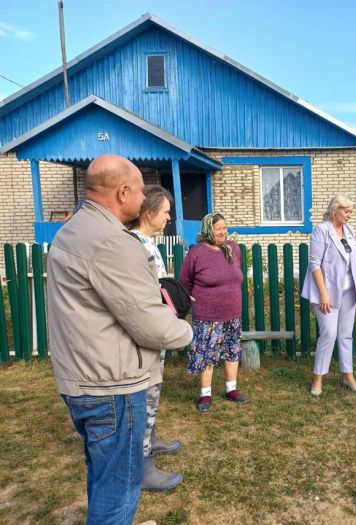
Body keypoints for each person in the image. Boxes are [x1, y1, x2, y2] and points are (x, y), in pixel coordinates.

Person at [47, 154, 193, 525]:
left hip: (81, 379)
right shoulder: (112, 242)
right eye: (141, 190)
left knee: (103, 474)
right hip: (112, 386)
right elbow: (151, 325)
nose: (145, 198)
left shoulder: (72, 230)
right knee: (120, 484)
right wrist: (189, 331)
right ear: (123, 191)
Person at [126, 185, 183, 491]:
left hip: (156, 332)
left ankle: (152, 438)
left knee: (154, 391)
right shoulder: (136, 245)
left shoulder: (148, 242)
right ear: (148, 212)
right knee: (146, 394)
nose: (169, 217)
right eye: (165, 212)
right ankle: (143, 466)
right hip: (145, 337)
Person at [179, 213, 247, 412]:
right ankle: (205, 394)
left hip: (233, 312)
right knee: (207, 354)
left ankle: (231, 389)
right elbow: (185, 282)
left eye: (225, 228)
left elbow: (235, 275)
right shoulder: (196, 253)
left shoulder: (233, 249)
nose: (223, 232)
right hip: (208, 314)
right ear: (208, 229)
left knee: (232, 350)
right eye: (218, 228)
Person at [301, 194, 356, 396]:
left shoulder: (350, 231)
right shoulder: (322, 231)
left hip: (349, 290)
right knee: (329, 333)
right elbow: (314, 264)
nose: (349, 215)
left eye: (351, 212)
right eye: (346, 211)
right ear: (335, 210)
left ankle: (348, 375)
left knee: (346, 334)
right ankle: (318, 377)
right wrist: (323, 294)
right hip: (326, 291)